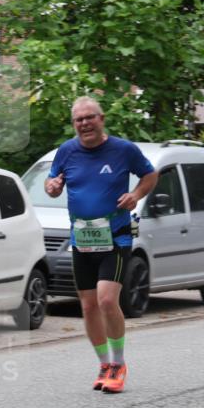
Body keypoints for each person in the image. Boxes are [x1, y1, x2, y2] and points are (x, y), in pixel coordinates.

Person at [45, 96, 158, 392]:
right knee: (88, 305)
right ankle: (104, 364)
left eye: (89, 117)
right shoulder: (66, 152)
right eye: (79, 120)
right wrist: (52, 186)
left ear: (102, 118)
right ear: (74, 125)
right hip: (82, 239)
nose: (84, 124)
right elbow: (51, 183)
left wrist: (135, 195)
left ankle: (119, 363)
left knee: (107, 300)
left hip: (116, 236)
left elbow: (150, 174)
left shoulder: (123, 150)